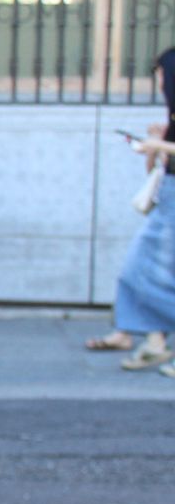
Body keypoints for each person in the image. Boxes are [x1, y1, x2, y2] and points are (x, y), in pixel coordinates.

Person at [87, 46, 175, 369]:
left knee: (145, 268)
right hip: (168, 194)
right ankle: (152, 339)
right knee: (146, 269)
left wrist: (157, 144)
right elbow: (158, 168)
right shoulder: (171, 116)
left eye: (163, 74)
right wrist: (155, 145)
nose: (161, 81)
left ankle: (147, 338)